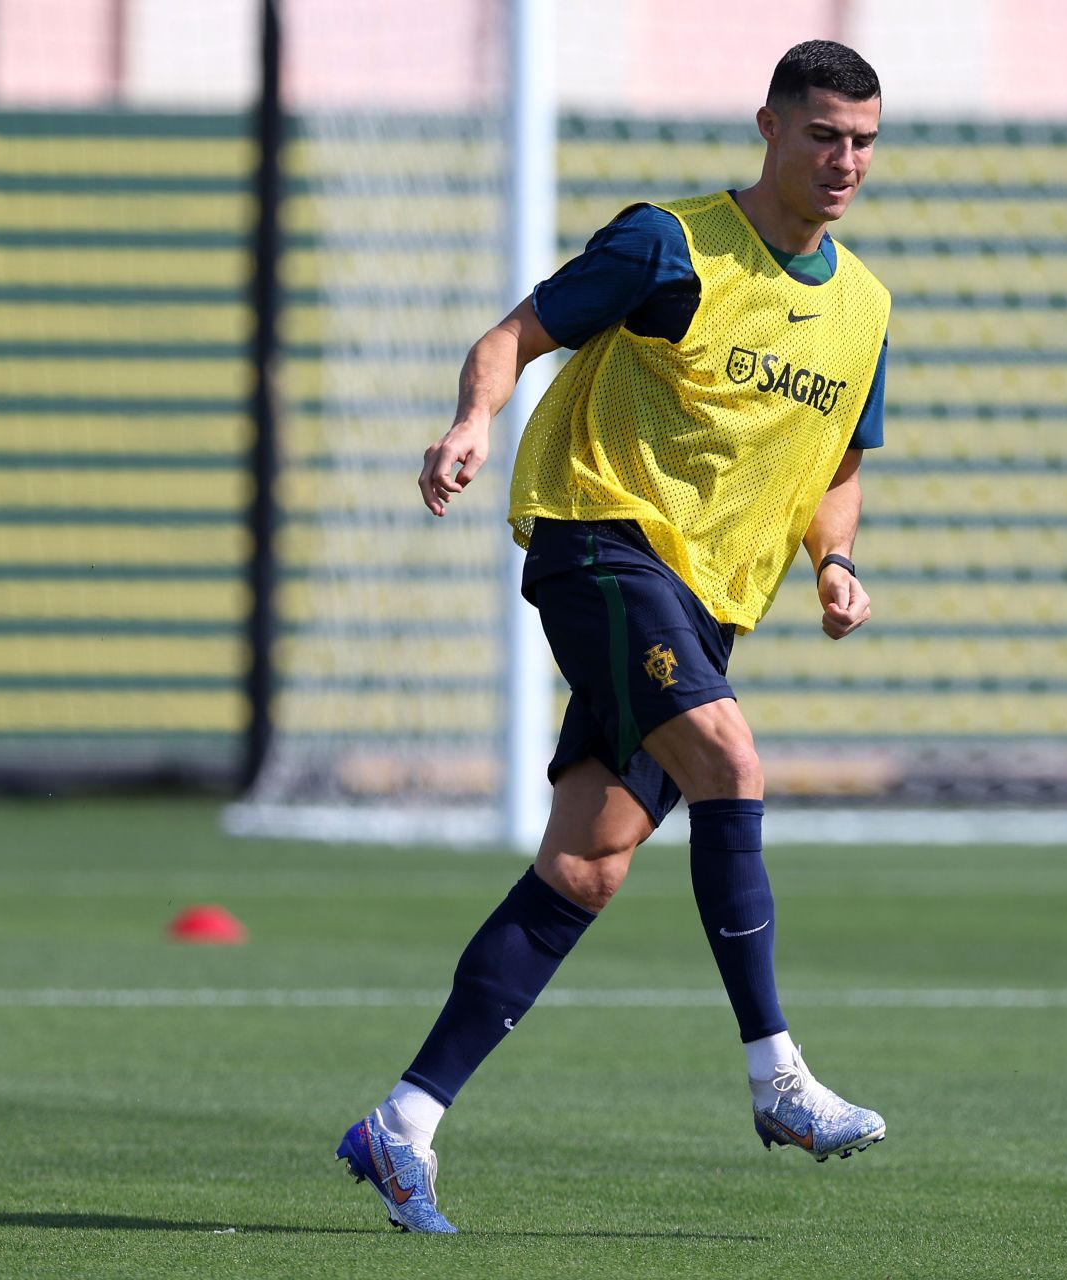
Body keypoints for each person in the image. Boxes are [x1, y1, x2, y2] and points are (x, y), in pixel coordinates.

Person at [335, 40, 892, 1234]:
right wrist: (470, 422)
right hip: (599, 541)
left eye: (862, 141)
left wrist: (833, 559)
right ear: (770, 127)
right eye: (822, 136)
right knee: (732, 763)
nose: (843, 161)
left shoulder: (863, 308)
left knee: (585, 865)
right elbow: (516, 334)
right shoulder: (670, 244)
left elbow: (839, 459)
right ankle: (776, 1075)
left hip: (704, 601)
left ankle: (405, 1120)